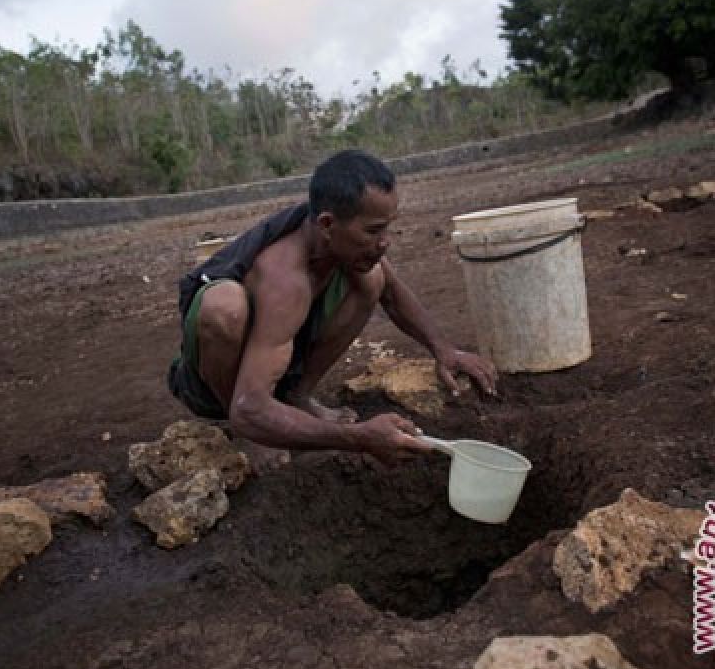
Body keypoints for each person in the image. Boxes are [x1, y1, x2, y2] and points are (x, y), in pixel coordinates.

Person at [167, 149, 497, 469]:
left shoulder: (333, 236)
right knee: (224, 309)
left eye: (387, 227)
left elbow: (393, 293)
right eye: (373, 230)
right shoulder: (285, 280)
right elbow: (249, 406)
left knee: (373, 276)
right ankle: (246, 433)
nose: (385, 242)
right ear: (327, 224)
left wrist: (444, 349)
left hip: (275, 358)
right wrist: (358, 437)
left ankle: (297, 396)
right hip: (214, 387)